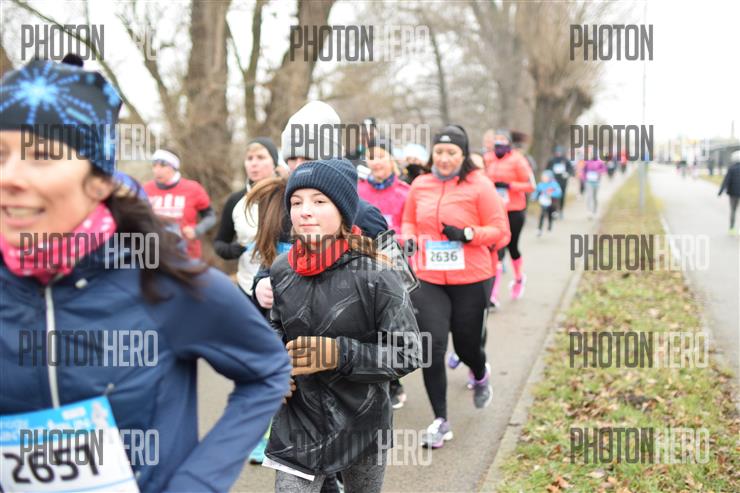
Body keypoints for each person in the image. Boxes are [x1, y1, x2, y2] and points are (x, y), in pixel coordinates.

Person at [0, 56, 290, 493]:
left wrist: (196, 481)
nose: (9, 177)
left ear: (100, 180)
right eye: (0, 154)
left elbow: (267, 371)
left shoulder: (165, 282)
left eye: (42, 156)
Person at [264, 158, 421, 492]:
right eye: (296, 202)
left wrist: (340, 354)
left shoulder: (377, 274)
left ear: (343, 211)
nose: (305, 211)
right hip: (298, 422)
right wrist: (273, 368)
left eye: (319, 201)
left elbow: (408, 353)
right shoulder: (281, 269)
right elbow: (275, 329)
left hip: (361, 423)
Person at [402, 125, 509, 448]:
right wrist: (408, 238)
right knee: (431, 346)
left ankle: (479, 372)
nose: (444, 158)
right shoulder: (421, 184)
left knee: (466, 346)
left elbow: (500, 231)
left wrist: (468, 234)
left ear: (463, 155)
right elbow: (408, 220)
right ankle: (440, 420)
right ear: (432, 154)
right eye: (439, 152)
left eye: (451, 152)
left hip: (472, 278)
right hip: (429, 277)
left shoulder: (480, 185)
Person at [252, 101, 388, 312]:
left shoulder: (364, 214)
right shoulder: (278, 205)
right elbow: (268, 260)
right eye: (292, 158)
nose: (298, 166)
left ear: (331, 158)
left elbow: (397, 285)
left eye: (307, 157)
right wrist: (260, 284)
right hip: (288, 325)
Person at [213, 137, 279, 299]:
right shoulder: (235, 200)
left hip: (282, 288)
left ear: (275, 162)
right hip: (247, 287)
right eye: (249, 158)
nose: (254, 163)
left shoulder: (288, 196)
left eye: (261, 157)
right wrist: (231, 251)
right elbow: (219, 242)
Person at [484, 130, 535, 303]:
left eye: (503, 139)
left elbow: (531, 185)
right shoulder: (487, 159)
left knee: (512, 247)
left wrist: (509, 186)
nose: (499, 143)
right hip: (494, 210)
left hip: (514, 209)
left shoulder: (518, 160)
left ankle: (519, 278)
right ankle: (493, 294)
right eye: (496, 139)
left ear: (509, 143)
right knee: (497, 249)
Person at [143, 148, 216, 259]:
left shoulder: (193, 188)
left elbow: (210, 216)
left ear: (174, 167)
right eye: (154, 165)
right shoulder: (145, 190)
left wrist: (196, 231)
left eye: (162, 165)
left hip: (187, 255)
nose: (157, 170)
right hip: (155, 255)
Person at [546, 145, 574, 217]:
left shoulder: (565, 160)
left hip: (563, 181)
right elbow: (547, 169)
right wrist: (550, 175)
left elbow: (571, 169)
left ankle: (561, 210)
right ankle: (553, 211)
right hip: (553, 181)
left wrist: (567, 173)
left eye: (559, 152)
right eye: (557, 152)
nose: (558, 154)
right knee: (553, 196)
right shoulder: (552, 160)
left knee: (562, 196)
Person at [580, 146, 607, 219]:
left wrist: (598, 171)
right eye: (592, 154)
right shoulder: (587, 162)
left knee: (594, 197)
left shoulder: (600, 162)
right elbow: (583, 170)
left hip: (596, 182)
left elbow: (604, 170)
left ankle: (594, 210)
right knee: (589, 196)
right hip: (588, 181)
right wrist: (584, 178)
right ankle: (589, 211)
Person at [534, 170, 563, 236]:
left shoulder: (554, 184)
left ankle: (550, 225)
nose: (544, 178)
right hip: (543, 202)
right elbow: (536, 192)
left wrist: (551, 194)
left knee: (550, 214)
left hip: (551, 203)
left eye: (546, 177)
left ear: (550, 177)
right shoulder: (540, 184)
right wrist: (534, 197)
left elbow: (559, 193)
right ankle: (539, 229)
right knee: (542, 214)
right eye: (543, 177)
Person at [718, 151, 740, 235]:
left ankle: (732, 228)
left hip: (733, 194)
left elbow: (726, 180)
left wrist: (720, 191)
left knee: (733, 210)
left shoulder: (731, 169)